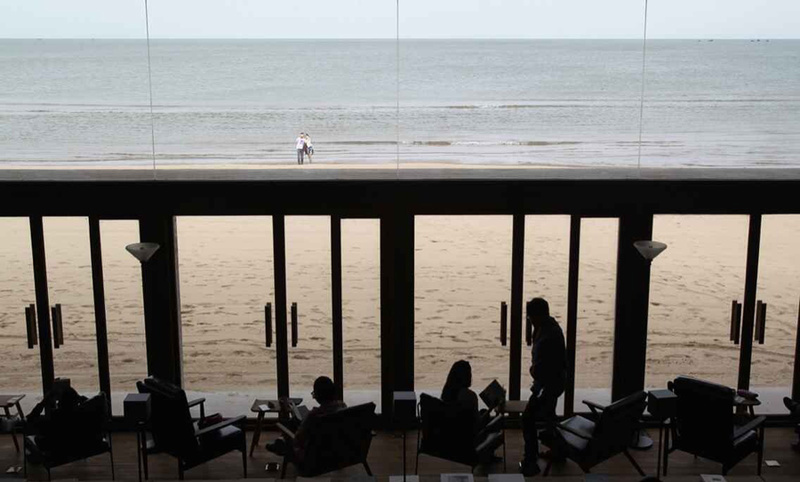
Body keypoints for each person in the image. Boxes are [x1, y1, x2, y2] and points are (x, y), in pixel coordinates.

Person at [520, 297, 567, 477]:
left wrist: (533, 370)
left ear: (537, 315)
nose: (529, 320)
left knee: (527, 419)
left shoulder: (547, 336)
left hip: (546, 386)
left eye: (530, 317)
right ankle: (559, 451)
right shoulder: (551, 328)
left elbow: (541, 368)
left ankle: (530, 460)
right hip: (554, 383)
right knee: (549, 417)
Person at [266, 376, 346, 462]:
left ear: (317, 396)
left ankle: (280, 443)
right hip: (334, 450)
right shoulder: (342, 407)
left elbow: (298, 439)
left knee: (293, 422)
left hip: (312, 457)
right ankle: (280, 442)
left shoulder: (314, 415)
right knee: (297, 420)